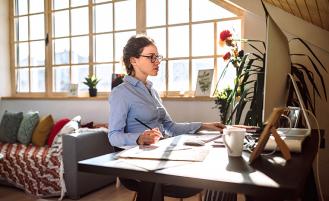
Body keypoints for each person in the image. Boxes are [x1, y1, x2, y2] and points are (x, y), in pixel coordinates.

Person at [108, 34, 226, 201]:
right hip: (138, 165)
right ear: (133, 60)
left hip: (161, 153)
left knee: (217, 162)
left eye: (157, 57)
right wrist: (139, 138)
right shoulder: (121, 93)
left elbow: (171, 127)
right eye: (151, 57)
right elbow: (113, 136)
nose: (157, 61)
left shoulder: (152, 91)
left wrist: (205, 125)